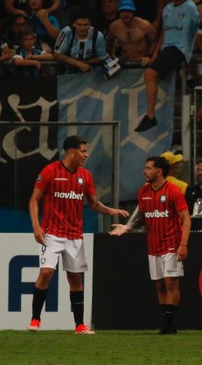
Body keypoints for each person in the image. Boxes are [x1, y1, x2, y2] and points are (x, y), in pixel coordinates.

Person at [28, 135, 129, 334]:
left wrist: (110, 211)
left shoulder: (85, 176)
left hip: (74, 235)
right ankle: (35, 319)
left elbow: (93, 204)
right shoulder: (50, 171)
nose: (86, 154)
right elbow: (33, 200)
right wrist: (36, 226)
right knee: (46, 272)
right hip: (52, 233)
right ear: (72, 152)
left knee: (75, 279)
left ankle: (79, 325)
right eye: (83, 151)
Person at [109, 155, 191, 334]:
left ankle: (168, 324)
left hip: (172, 243)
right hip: (153, 246)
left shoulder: (173, 191)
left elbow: (186, 218)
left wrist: (183, 244)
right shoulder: (143, 192)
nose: (144, 171)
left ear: (159, 171)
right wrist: (128, 227)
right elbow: (142, 220)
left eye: (148, 168)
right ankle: (168, 323)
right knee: (160, 285)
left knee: (171, 283)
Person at [137, 0, 202, 132]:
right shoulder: (167, 9)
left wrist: (198, 3)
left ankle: (150, 115)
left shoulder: (190, 6)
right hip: (166, 48)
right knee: (150, 74)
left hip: (180, 48)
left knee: (149, 74)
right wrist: (155, 55)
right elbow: (163, 33)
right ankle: (151, 115)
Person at [107, 0, 157, 66]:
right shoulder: (114, 27)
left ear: (133, 12)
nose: (125, 14)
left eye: (128, 11)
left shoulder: (144, 25)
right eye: (123, 11)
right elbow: (109, 43)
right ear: (119, 13)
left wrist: (149, 56)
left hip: (143, 61)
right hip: (125, 62)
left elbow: (156, 41)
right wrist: (113, 57)